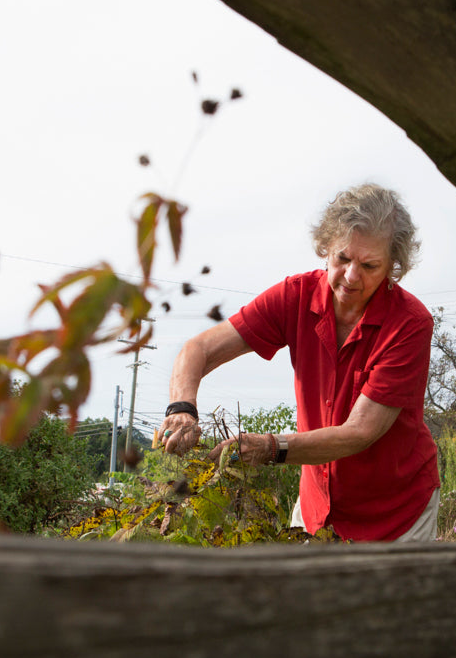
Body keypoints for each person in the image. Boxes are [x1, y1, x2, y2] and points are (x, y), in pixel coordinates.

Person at [156, 183, 440, 542]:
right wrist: (182, 408)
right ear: (325, 248)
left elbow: (360, 432)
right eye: (343, 259)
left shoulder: (409, 324)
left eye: (370, 265)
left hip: (395, 514)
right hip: (317, 506)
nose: (352, 276)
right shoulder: (296, 297)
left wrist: (273, 448)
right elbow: (199, 348)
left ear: (392, 267)